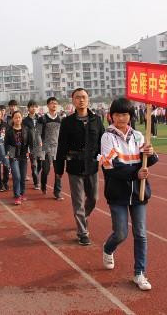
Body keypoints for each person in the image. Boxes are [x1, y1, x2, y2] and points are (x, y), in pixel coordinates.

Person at [99, 97, 158, 291]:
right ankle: (108, 248)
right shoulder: (107, 137)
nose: (121, 118)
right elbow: (111, 168)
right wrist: (136, 173)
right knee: (121, 233)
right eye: (117, 114)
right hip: (117, 192)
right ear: (111, 116)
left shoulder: (139, 136)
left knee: (140, 234)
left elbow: (148, 162)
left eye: (124, 114)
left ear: (130, 116)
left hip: (139, 192)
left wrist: (151, 153)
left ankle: (139, 273)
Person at [55, 88, 104, 246]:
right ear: (73, 101)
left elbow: (103, 143)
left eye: (84, 97)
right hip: (74, 166)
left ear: (88, 99)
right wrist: (59, 169)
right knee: (78, 202)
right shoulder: (67, 122)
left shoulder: (96, 120)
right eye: (78, 97)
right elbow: (61, 146)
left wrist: (106, 162)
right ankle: (82, 232)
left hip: (92, 165)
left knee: (94, 198)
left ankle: (83, 217)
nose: (81, 100)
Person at [5, 111, 33, 205]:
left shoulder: (26, 130)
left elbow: (30, 143)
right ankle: (17, 196)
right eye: (16, 117)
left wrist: (31, 152)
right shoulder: (9, 131)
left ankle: (22, 193)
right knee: (16, 176)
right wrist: (8, 153)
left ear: (22, 118)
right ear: (13, 119)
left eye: (19, 117)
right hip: (13, 155)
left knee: (22, 176)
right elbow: (6, 144)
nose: (18, 119)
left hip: (23, 155)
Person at [39, 97, 63, 200]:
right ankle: (43, 185)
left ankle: (57, 192)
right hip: (45, 147)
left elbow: (62, 134)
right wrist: (40, 143)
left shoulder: (60, 119)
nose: (54, 105)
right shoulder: (42, 119)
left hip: (57, 147)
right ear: (48, 105)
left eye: (56, 103)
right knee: (46, 170)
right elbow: (38, 133)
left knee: (58, 171)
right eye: (52, 103)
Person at [23, 100, 43, 190]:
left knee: (40, 164)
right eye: (31, 106)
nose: (33, 108)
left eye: (35, 106)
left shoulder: (40, 119)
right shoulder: (25, 121)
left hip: (40, 144)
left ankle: (35, 174)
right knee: (34, 164)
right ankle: (36, 182)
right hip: (31, 145)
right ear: (28, 108)